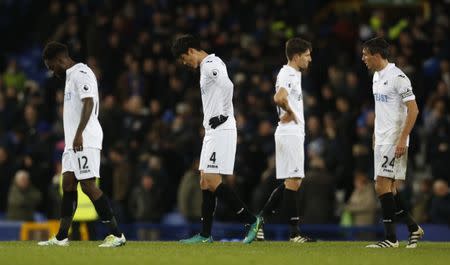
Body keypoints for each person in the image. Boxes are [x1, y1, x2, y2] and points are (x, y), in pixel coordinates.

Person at [171, 34, 262, 244]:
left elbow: (228, 85)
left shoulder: (211, 63)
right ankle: (205, 235)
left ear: (191, 51)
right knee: (204, 180)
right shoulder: (205, 67)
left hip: (222, 128)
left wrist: (222, 114)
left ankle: (251, 220)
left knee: (212, 179)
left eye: (185, 59)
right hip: (213, 131)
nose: (185, 63)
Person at [38, 42, 125, 247]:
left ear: (60, 60)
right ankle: (61, 237)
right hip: (72, 143)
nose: (53, 71)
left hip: (85, 139)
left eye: (52, 67)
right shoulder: (69, 78)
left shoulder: (81, 72)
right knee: (68, 184)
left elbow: (89, 102)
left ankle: (117, 234)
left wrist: (78, 135)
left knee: (87, 185)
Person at [362, 37, 423, 248]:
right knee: (390, 189)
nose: (363, 58)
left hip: (394, 139)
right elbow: (381, 109)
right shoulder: (377, 77)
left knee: (381, 185)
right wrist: (374, 134)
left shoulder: (398, 77)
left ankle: (391, 238)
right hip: (381, 138)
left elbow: (413, 110)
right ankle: (413, 228)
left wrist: (402, 138)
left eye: (365, 54)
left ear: (376, 55)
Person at [256, 38, 315, 242]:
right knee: (294, 181)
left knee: (292, 181)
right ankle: (294, 233)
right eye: (307, 55)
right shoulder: (289, 73)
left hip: (290, 132)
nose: (310, 59)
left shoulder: (292, 74)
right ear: (297, 56)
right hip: (290, 132)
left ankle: (261, 220)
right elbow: (279, 97)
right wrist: (290, 111)